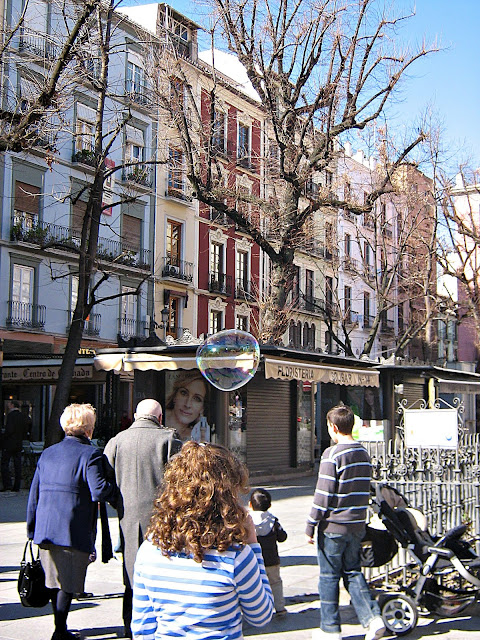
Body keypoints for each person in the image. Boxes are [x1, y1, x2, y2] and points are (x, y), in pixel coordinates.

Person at [132, 441, 274, 638]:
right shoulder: (236, 557)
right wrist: (253, 546)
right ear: (226, 496)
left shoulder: (149, 551)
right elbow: (261, 616)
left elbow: (142, 629)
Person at [27, 403, 117, 640]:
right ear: (88, 428)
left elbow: (34, 494)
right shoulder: (90, 454)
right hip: (72, 528)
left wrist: (31, 528)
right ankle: (60, 631)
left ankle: (60, 627)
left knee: (54, 581)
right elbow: (98, 490)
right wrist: (114, 487)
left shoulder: (48, 453)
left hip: (46, 527)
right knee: (66, 582)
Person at [306, 405, 385, 640]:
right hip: (357, 525)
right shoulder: (363, 453)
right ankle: (373, 619)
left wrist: (310, 525)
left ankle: (330, 629)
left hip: (333, 526)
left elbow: (323, 495)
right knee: (353, 571)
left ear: (333, 427)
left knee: (328, 577)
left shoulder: (332, 455)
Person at [104, 398, 181, 639]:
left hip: (128, 519)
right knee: (163, 574)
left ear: (136, 416)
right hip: (162, 520)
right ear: (160, 418)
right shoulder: (168, 440)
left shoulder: (116, 441)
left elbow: (104, 480)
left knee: (131, 576)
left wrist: (119, 503)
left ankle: (130, 625)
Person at [250, 488, 288, 617]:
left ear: (250, 505)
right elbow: (282, 537)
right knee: (275, 583)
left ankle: (258, 610)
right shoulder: (273, 521)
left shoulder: (248, 521)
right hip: (272, 560)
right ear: (270, 505)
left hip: (254, 561)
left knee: (255, 585)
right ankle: (280, 608)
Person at [165, 370, 210, 441]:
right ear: (175, 395)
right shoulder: (158, 422)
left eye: (197, 399)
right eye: (184, 393)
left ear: (202, 408)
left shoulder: (197, 434)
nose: (187, 404)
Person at [1, 399, 30, 492]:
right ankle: (17, 485)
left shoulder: (10, 416)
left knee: (4, 463)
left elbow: (9, 429)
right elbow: (25, 429)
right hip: (18, 443)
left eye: (9, 404)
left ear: (12, 405)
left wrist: (4, 437)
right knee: (17, 464)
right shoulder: (22, 416)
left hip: (9, 443)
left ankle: (7, 484)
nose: (8, 406)